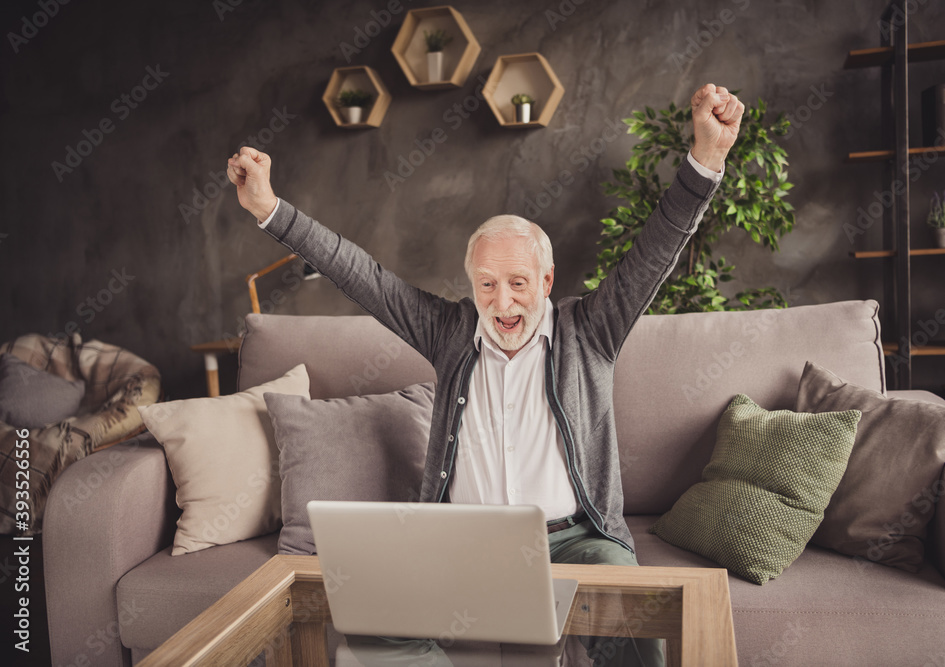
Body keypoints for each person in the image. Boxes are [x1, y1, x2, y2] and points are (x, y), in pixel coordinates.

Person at [227, 83, 743, 667]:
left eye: (518, 283)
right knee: (377, 628)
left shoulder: (591, 329)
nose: (502, 303)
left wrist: (707, 160)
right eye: (486, 285)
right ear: (471, 286)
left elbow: (656, 249)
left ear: (545, 283)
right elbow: (359, 274)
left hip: (576, 539)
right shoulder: (449, 332)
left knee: (633, 613)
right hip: (462, 542)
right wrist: (270, 209)